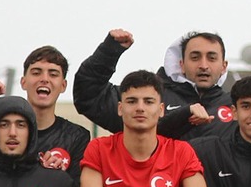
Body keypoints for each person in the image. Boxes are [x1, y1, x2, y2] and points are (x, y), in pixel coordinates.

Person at [78, 70, 214, 187]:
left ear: (161, 110)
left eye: (148, 102)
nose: (140, 108)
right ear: (120, 108)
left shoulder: (181, 152)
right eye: (132, 101)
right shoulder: (99, 149)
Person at [73, 27, 234, 141]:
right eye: (195, 57)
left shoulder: (239, 107)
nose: (203, 65)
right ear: (181, 64)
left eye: (212, 58)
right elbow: (89, 96)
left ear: (224, 66)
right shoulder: (148, 97)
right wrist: (108, 52)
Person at [0, 45, 92, 171]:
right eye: (36, 73)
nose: (44, 79)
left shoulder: (76, 137)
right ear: (23, 82)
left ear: (63, 86)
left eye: (53, 74)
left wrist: (57, 177)